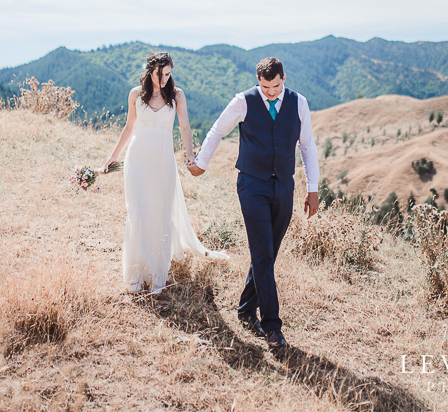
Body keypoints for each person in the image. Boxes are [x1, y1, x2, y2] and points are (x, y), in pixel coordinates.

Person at [188, 56, 319, 351]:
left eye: (275, 86)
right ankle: (272, 326)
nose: (271, 92)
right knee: (261, 253)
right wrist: (201, 164)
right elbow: (217, 130)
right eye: (265, 87)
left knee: (267, 253)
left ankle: (246, 309)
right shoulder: (243, 101)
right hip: (252, 185)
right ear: (257, 81)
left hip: (284, 185)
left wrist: (313, 189)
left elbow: (307, 146)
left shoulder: (299, 103)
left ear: (284, 77)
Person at [104, 52, 228, 294]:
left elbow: (185, 127)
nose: (164, 78)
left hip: (163, 160)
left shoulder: (177, 95)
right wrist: (113, 156)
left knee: (159, 214)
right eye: (160, 73)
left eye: (168, 74)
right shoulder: (135, 94)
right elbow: (129, 128)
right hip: (138, 158)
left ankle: (157, 276)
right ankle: (135, 275)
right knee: (138, 212)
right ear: (150, 71)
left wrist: (190, 155)